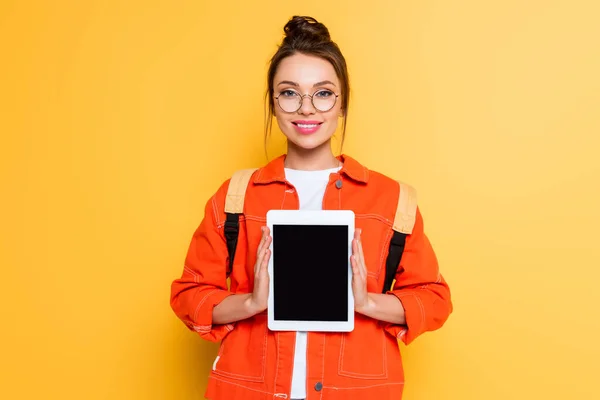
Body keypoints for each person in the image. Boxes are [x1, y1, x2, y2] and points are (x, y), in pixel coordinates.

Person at [170, 15, 452, 400]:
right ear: (273, 103)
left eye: (323, 93)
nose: (306, 108)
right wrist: (252, 301)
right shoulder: (236, 196)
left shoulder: (391, 200)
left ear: (343, 106)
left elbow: (434, 300)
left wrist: (367, 302)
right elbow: (188, 295)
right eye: (289, 92)